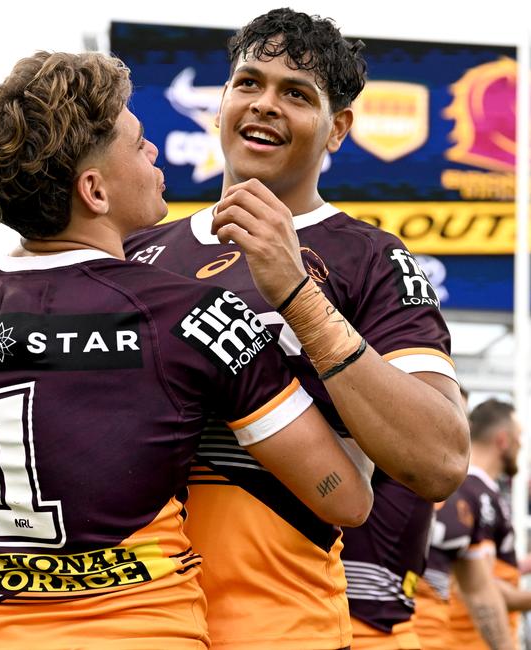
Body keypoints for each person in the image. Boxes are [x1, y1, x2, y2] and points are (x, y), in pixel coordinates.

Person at [0, 50, 374, 650]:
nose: (154, 152)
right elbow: (345, 497)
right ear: (94, 190)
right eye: (138, 143)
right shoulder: (186, 312)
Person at [124, 8, 469, 649]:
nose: (264, 105)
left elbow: (440, 460)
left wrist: (297, 296)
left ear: (337, 129)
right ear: (221, 99)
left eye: (296, 94)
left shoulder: (372, 258)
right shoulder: (135, 250)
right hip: (137, 627)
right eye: (248, 83)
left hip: (284, 630)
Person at [414, 399, 529, 650]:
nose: (522, 443)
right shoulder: (470, 493)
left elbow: (482, 573)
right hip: (461, 638)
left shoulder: (481, 492)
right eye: (519, 436)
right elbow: (478, 586)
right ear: (503, 440)